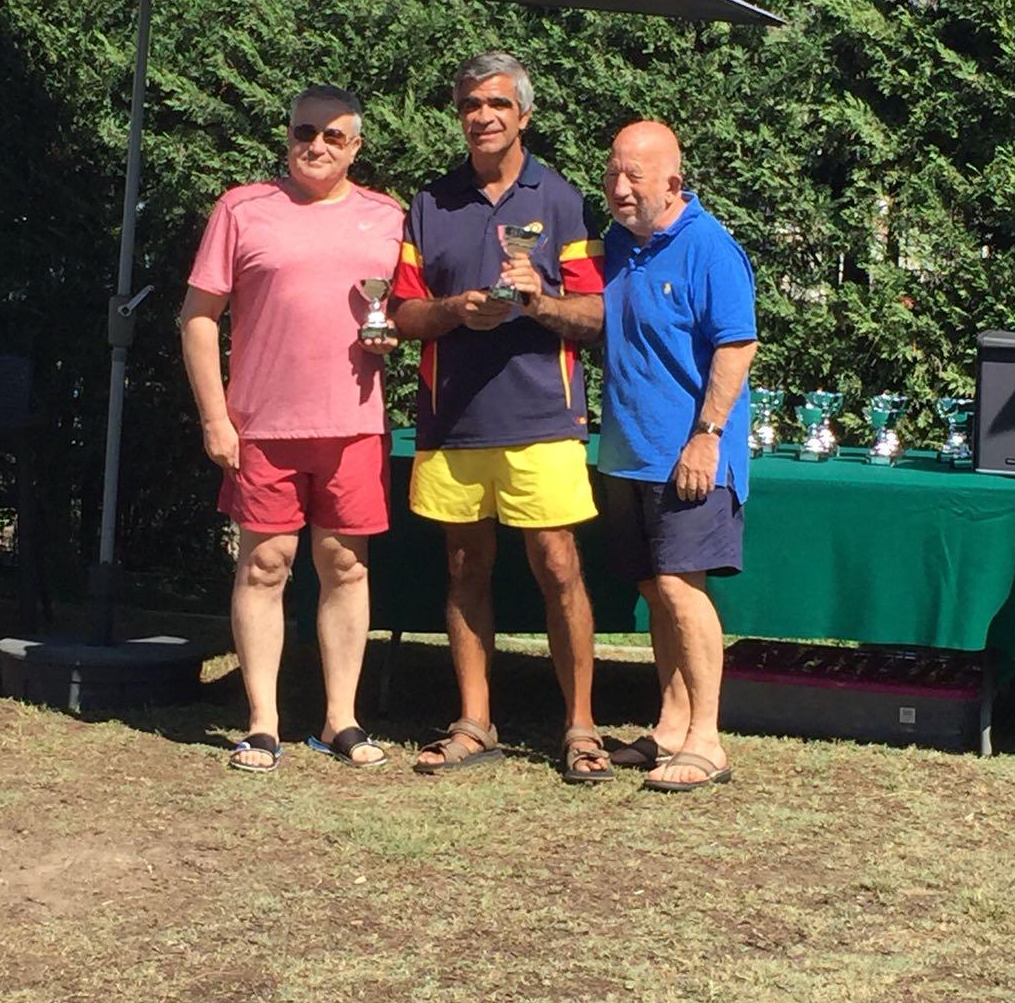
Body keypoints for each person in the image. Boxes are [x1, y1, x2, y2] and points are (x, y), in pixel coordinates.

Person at [391, 52, 611, 784]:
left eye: (496, 104)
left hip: (542, 416)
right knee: (463, 569)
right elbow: (401, 311)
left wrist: (535, 300)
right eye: (468, 106)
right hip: (452, 420)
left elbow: (595, 313)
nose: (482, 116)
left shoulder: (564, 199)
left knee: (557, 566)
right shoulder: (431, 203)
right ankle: (474, 721)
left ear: (523, 114)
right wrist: (457, 311)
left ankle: (580, 727)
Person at [180, 84, 403, 772]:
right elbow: (196, 317)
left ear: (356, 146)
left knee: (344, 566)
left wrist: (392, 332)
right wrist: (215, 416)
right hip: (264, 425)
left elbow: (407, 311)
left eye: (335, 136)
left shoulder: (388, 217)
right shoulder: (242, 208)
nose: (318, 146)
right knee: (265, 565)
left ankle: (342, 719)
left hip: (354, 424)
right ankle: (262, 724)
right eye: (306, 131)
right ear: (287, 135)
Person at [599, 120, 758, 791]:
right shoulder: (613, 243)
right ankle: (670, 726)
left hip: (689, 455)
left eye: (635, 175)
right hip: (626, 454)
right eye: (612, 172)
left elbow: (737, 344)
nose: (619, 186)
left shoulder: (709, 247)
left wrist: (708, 435)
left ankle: (708, 740)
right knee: (652, 590)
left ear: (673, 181)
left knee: (679, 588)